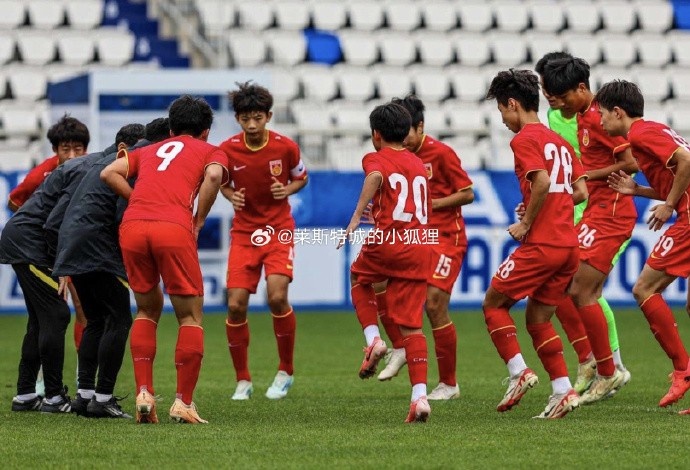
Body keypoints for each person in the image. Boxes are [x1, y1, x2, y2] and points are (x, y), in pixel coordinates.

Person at [101, 96, 228, 424]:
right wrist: (198, 219)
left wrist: (140, 201)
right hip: (173, 227)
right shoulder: (209, 150)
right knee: (190, 317)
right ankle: (183, 403)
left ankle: (144, 392)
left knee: (145, 309)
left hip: (133, 227)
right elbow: (214, 177)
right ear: (205, 131)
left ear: (171, 129)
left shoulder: (147, 150)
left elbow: (108, 173)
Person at [483, 69, 587, 419]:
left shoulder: (524, 139)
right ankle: (562, 390)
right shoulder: (559, 141)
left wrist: (526, 221)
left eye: (502, 112)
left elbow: (541, 180)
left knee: (494, 305)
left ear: (512, 104)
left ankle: (519, 372)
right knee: (539, 318)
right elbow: (579, 192)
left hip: (541, 244)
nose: (504, 121)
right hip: (568, 247)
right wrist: (538, 205)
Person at [55, 122, 168, 419]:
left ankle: (85, 396)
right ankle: (103, 398)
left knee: (95, 321)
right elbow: (122, 213)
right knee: (118, 320)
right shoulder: (143, 157)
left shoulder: (108, 160)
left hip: (73, 242)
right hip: (98, 247)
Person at [541, 57, 638, 404]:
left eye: (562, 96)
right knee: (568, 284)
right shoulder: (582, 116)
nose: (557, 103)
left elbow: (632, 163)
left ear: (581, 88)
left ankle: (609, 371)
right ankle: (600, 366)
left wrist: (584, 177)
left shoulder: (599, 118)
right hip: (596, 212)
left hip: (612, 214)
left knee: (581, 289)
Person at [596, 80, 690, 412]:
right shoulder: (652, 131)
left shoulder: (639, 134)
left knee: (644, 288)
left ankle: (683, 369)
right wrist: (639, 191)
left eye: (603, 114)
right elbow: (677, 173)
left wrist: (669, 206)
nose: (601, 121)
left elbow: (686, 161)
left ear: (618, 112)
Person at [374, 95, 474, 402]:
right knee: (377, 284)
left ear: (420, 127)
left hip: (447, 237)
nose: (402, 138)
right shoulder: (395, 157)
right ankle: (399, 348)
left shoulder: (441, 154)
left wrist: (434, 205)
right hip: (414, 238)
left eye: (408, 131)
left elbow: (467, 193)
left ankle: (449, 383)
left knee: (433, 304)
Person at [339, 102, 433, 423]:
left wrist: (355, 219)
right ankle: (419, 398)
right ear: (406, 134)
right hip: (419, 245)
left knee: (359, 279)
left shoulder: (375, 157)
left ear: (376, 135)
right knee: (412, 327)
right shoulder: (418, 164)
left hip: (390, 240)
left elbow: (376, 176)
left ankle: (373, 340)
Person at [219, 82, 308, 401]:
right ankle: (242, 379)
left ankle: (286, 371)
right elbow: (221, 183)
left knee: (276, 296)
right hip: (244, 232)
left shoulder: (285, 147)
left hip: (278, 230)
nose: (252, 124)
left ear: (268, 116)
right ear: (238, 119)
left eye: (258, 117)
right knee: (235, 304)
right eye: (245, 118)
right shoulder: (227, 150)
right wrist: (231, 195)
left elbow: (301, 176)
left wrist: (288, 190)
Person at [6, 115, 91, 395]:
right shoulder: (42, 173)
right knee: (54, 315)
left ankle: (79, 378)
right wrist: (35, 226)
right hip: (45, 250)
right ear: (55, 151)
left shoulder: (85, 171)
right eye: (66, 149)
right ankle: (49, 389)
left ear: (86, 149)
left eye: (78, 148)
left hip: (67, 249)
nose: (72, 154)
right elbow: (14, 200)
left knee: (76, 311)